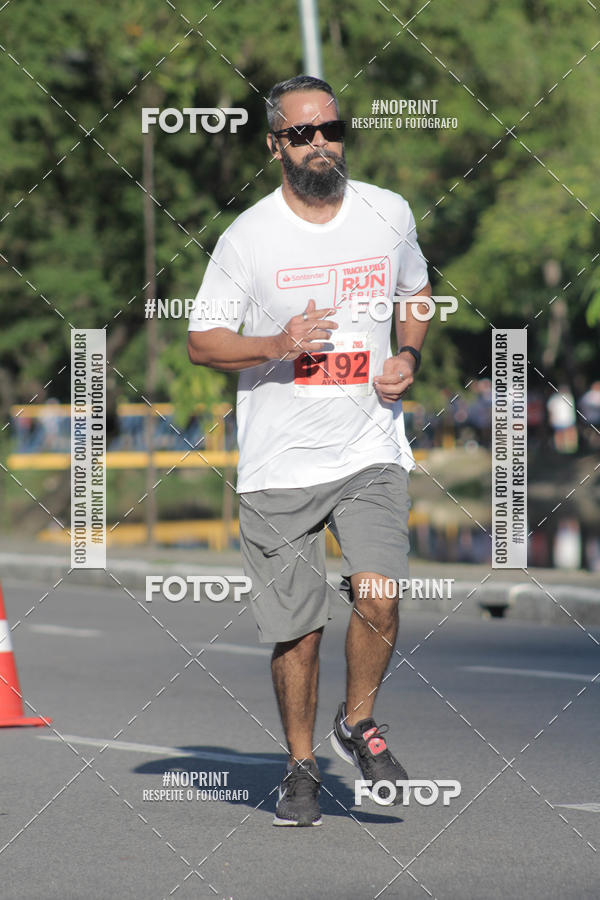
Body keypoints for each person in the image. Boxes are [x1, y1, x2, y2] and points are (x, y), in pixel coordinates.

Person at [187, 75, 432, 826]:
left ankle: (357, 724)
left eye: (331, 128)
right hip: (280, 461)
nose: (320, 142)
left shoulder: (386, 212)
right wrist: (276, 343)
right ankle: (300, 765)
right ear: (275, 147)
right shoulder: (249, 238)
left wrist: (410, 357)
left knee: (381, 595)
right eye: (302, 134)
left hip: (369, 445)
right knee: (298, 632)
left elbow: (415, 294)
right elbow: (202, 339)